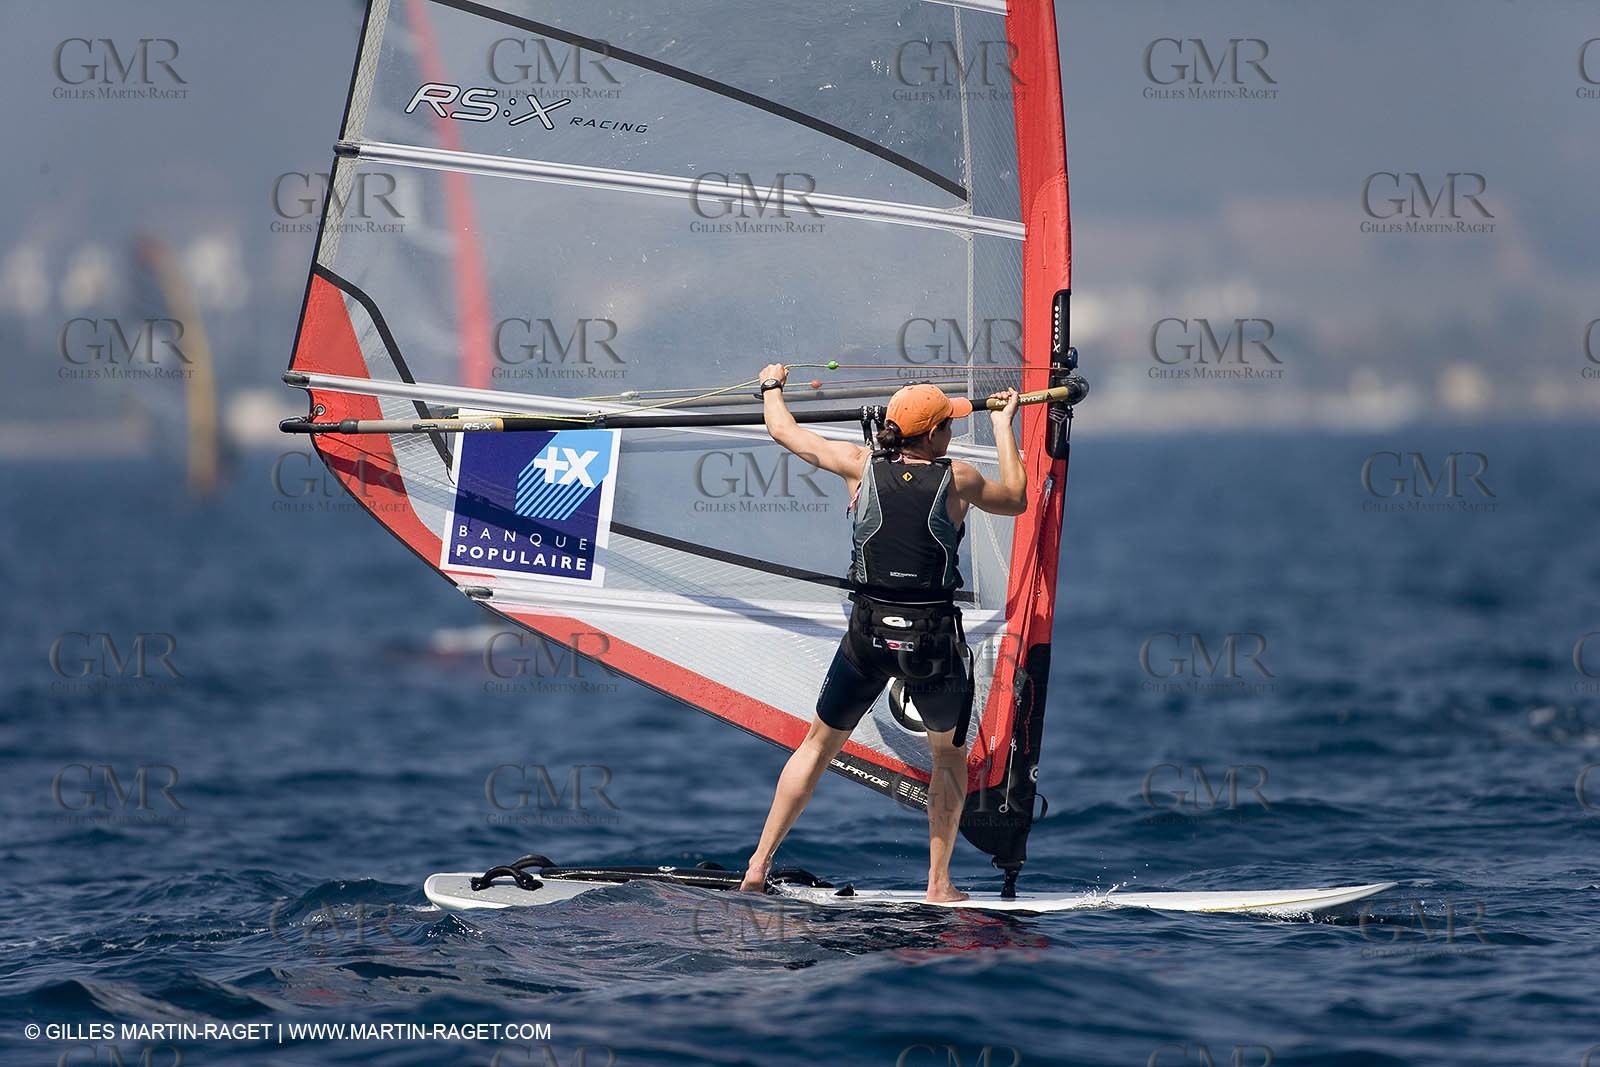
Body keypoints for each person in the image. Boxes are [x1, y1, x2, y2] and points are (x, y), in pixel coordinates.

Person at [739, 363, 1026, 903]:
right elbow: (1015, 496)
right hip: (932, 644)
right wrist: (1005, 425)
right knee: (946, 759)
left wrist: (772, 385)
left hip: (867, 636)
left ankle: (757, 865)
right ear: (936, 434)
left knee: (818, 746)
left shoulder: (857, 465)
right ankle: (939, 884)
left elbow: (782, 429)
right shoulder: (958, 478)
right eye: (949, 427)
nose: (952, 434)